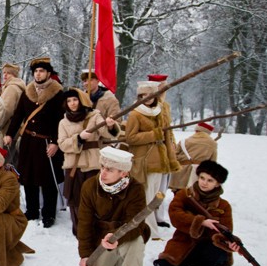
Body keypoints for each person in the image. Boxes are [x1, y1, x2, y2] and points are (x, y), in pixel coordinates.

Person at [77, 147, 149, 266]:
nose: (103, 173)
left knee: (136, 244)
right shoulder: (90, 186)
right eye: (102, 167)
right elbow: (84, 223)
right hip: (100, 241)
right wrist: (85, 254)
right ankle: (115, 264)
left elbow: (136, 224)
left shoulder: (136, 189)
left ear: (123, 173)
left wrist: (117, 237)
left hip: (126, 236)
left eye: (109, 170)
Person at [4, 57, 65, 228]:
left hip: (47, 142)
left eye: (42, 71)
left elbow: (60, 121)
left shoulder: (58, 94)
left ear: (48, 73)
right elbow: (18, 116)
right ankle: (31, 211)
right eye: (36, 71)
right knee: (28, 178)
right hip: (29, 141)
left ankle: (48, 214)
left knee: (48, 181)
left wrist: (55, 142)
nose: (38, 74)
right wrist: (10, 134)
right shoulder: (28, 91)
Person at [154, 160, 239, 266]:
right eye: (202, 178)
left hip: (208, 248)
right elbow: (175, 215)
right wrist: (200, 222)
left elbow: (226, 230)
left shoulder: (223, 206)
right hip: (183, 242)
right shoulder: (185, 194)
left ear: (217, 184)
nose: (204, 183)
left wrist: (229, 243)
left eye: (210, 180)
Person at [57, 88, 120, 237]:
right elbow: (62, 144)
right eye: (69, 100)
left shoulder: (94, 116)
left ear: (82, 100)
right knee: (76, 200)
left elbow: (106, 133)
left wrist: (110, 125)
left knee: (96, 198)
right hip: (74, 166)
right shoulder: (63, 122)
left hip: (93, 164)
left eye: (75, 100)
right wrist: (78, 138)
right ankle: (80, 229)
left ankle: (96, 228)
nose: (72, 103)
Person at [124, 79, 180, 238]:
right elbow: (130, 138)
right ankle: (148, 230)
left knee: (155, 196)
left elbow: (167, 136)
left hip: (160, 161)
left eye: (150, 94)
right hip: (144, 161)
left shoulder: (160, 112)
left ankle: (147, 228)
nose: (147, 98)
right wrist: (153, 135)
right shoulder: (135, 113)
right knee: (146, 198)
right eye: (143, 95)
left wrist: (171, 157)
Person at [169, 122, 218, 192]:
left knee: (178, 194)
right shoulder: (213, 144)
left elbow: (173, 156)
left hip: (180, 172)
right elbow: (213, 162)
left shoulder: (184, 141)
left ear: (197, 130)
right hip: (199, 172)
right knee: (195, 195)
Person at [0, 62, 26, 133]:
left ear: (14, 75)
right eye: (4, 72)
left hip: (7, 129)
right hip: (13, 128)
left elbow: (7, 110)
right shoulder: (14, 86)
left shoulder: (11, 88)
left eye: (8, 73)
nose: (5, 75)